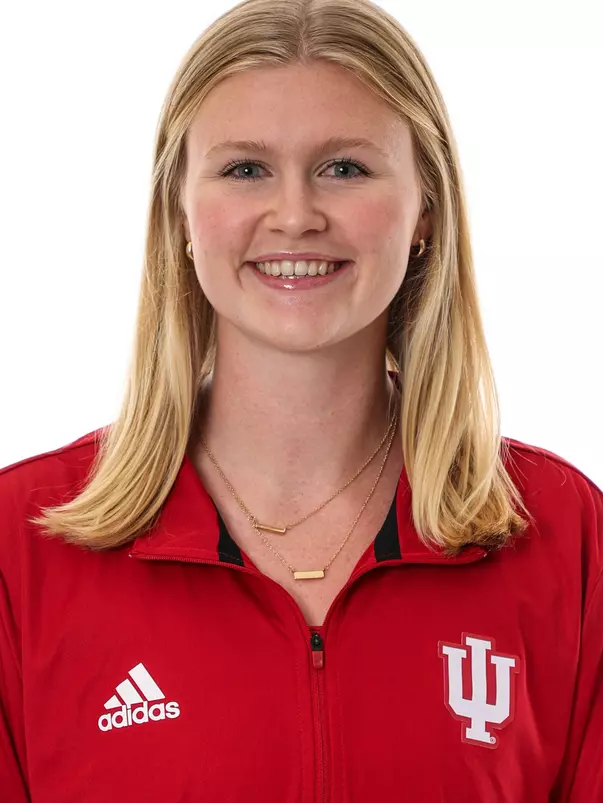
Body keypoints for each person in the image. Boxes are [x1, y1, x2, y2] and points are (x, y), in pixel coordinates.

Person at [0, 0, 601, 800]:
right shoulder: (20, 543)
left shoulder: (563, 534)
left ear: (424, 207)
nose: (294, 216)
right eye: (245, 169)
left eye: (343, 168)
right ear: (180, 211)